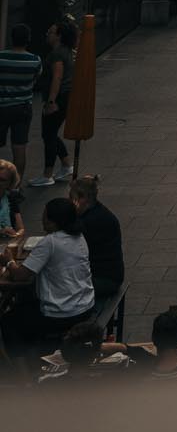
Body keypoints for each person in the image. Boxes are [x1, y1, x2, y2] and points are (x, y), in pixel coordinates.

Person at [0, 196, 95, 363]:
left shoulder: (50, 242)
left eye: (44, 217)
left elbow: (21, 275)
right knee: (26, 303)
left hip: (62, 313)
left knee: (9, 322)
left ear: (53, 222)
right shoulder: (79, 236)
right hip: (85, 305)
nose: (41, 220)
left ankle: (23, 370)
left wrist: (8, 260)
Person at [29, 18, 75, 191]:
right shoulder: (66, 51)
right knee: (51, 133)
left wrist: (51, 101)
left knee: (48, 134)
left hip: (58, 98)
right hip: (65, 96)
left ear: (59, 36)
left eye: (51, 32)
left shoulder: (56, 54)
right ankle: (65, 164)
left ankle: (47, 174)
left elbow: (57, 77)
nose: (47, 34)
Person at [68, 174, 124, 303]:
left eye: (72, 198)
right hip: (105, 274)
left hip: (103, 279)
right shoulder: (95, 212)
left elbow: (70, 242)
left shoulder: (91, 220)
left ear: (84, 199)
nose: (70, 202)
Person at [0, 23, 40, 179]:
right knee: (19, 147)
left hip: (2, 106)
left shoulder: (1, 58)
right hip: (23, 108)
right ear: (28, 40)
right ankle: (16, 184)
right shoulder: (35, 60)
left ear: (12, 38)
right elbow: (34, 81)